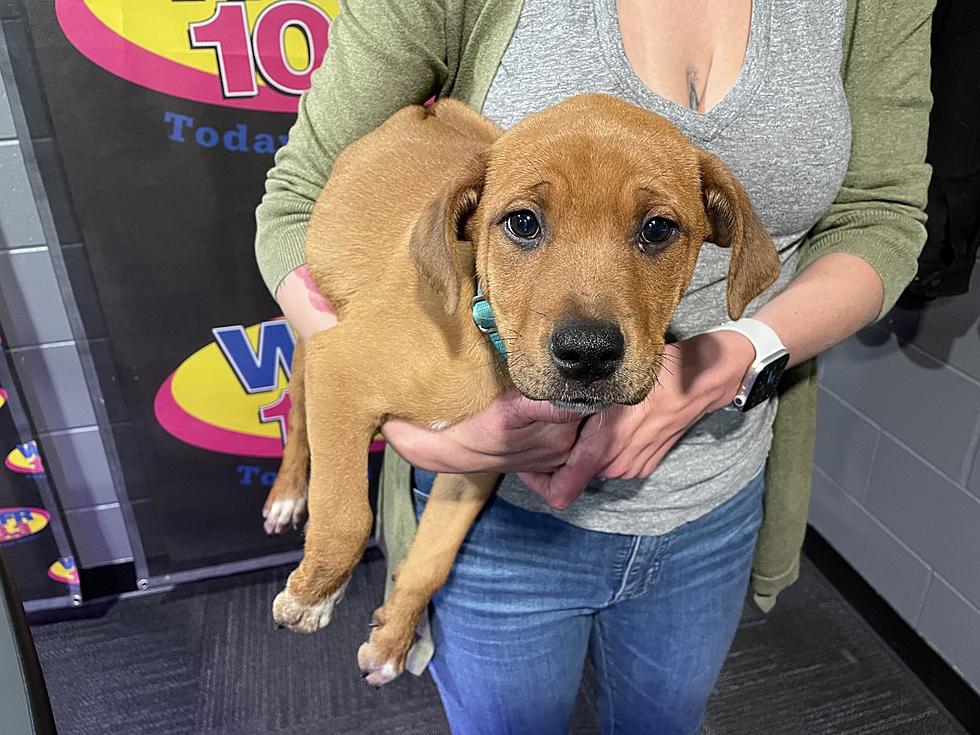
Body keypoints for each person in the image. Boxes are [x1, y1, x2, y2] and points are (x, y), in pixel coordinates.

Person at [255, 0, 933, 732]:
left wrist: (737, 352)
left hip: (714, 492)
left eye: (657, 229)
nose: (587, 331)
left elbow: (882, 213)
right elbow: (296, 201)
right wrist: (418, 428)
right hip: (501, 527)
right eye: (524, 222)